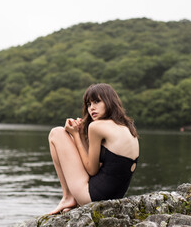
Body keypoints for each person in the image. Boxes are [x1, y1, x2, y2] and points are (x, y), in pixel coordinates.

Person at [48, 83, 139, 215]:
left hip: (94, 197)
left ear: (109, 101)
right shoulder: (127, 127)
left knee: (56, 133)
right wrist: (80, 134)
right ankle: (70, 198)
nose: (92, 108)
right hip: (113, 196)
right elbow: (105, 164)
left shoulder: (96, 126)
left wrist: (76, 135)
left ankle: (68, 197)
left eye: (97, 101)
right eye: (89, 104)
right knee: (69, 139)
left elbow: (92, 170)